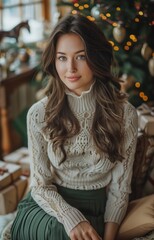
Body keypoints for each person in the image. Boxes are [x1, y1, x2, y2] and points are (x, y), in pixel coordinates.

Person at [11, 13, 138, 240]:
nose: (70, 68)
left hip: (95, 207)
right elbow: (40, 185)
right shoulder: (39, 113)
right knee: (61, 233)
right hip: (45, 206)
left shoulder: (124, 113)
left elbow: (120, 189)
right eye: (62, 58)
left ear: (96, 57)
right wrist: (70, 217)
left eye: (80, 57)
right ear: (54, 60)